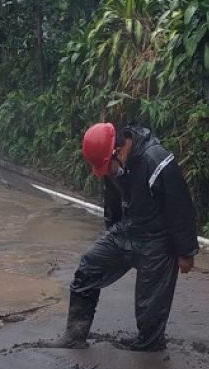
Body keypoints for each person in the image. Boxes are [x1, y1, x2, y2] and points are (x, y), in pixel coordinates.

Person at [51, 121, 198, 352]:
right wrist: (111, 231)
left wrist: (185, 252)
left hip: (157, 243)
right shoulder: (114, 164)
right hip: (127, 231)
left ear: (118, 152)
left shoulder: (156, 160)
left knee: (150, 311)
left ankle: (149, 348)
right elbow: (112, 201)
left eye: (107, 167)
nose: (108, 174)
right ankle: (75, 334)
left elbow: (180, 206)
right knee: (89, 267)